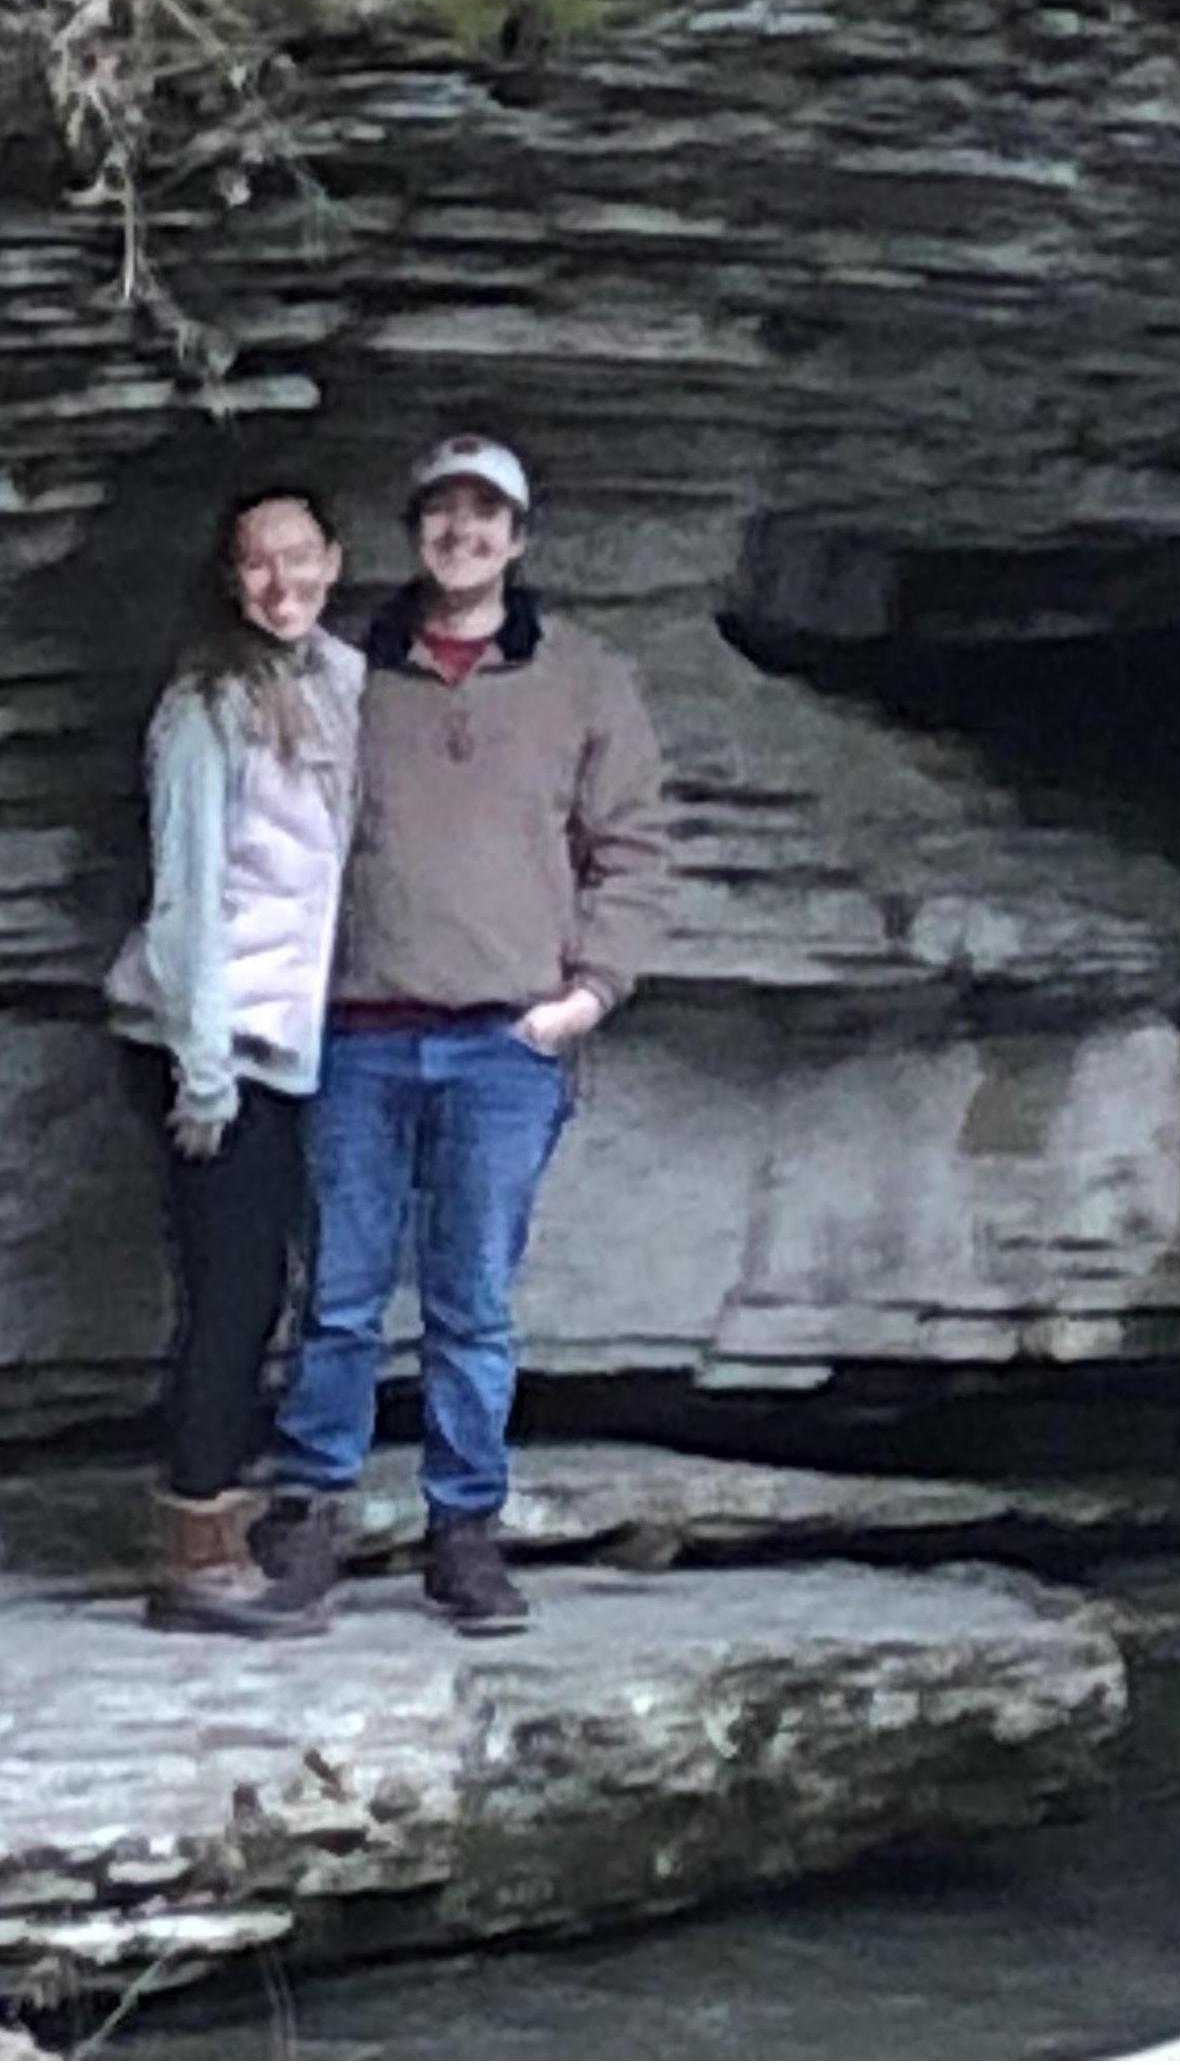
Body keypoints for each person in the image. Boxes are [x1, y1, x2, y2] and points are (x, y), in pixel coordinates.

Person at [249, 434, 672, 1637]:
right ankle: (310, 1520)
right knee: (335, 1293)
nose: (463, 534)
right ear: (414, 531)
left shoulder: (584, 678)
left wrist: (588, 994)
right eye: (443, 513)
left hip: (505, 1039)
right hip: (359, 1032)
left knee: (472, 1299)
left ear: (520, 539)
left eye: (488, 516)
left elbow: (633, 845)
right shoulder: (345, 672)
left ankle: (465, 1532)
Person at [107, 487, 364, 1635]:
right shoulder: (204, 707)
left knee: (260, 1287)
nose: (280, 584)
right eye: (257, 565)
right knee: (231, 1295)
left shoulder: (339, 684)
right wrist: (203, 1070)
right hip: (204, 1044)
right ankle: (195, 1544)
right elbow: (187, 901)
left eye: (299, 558)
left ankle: (216, 1510)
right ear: (229, 579)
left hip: (289, 1043)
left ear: (334, 562)